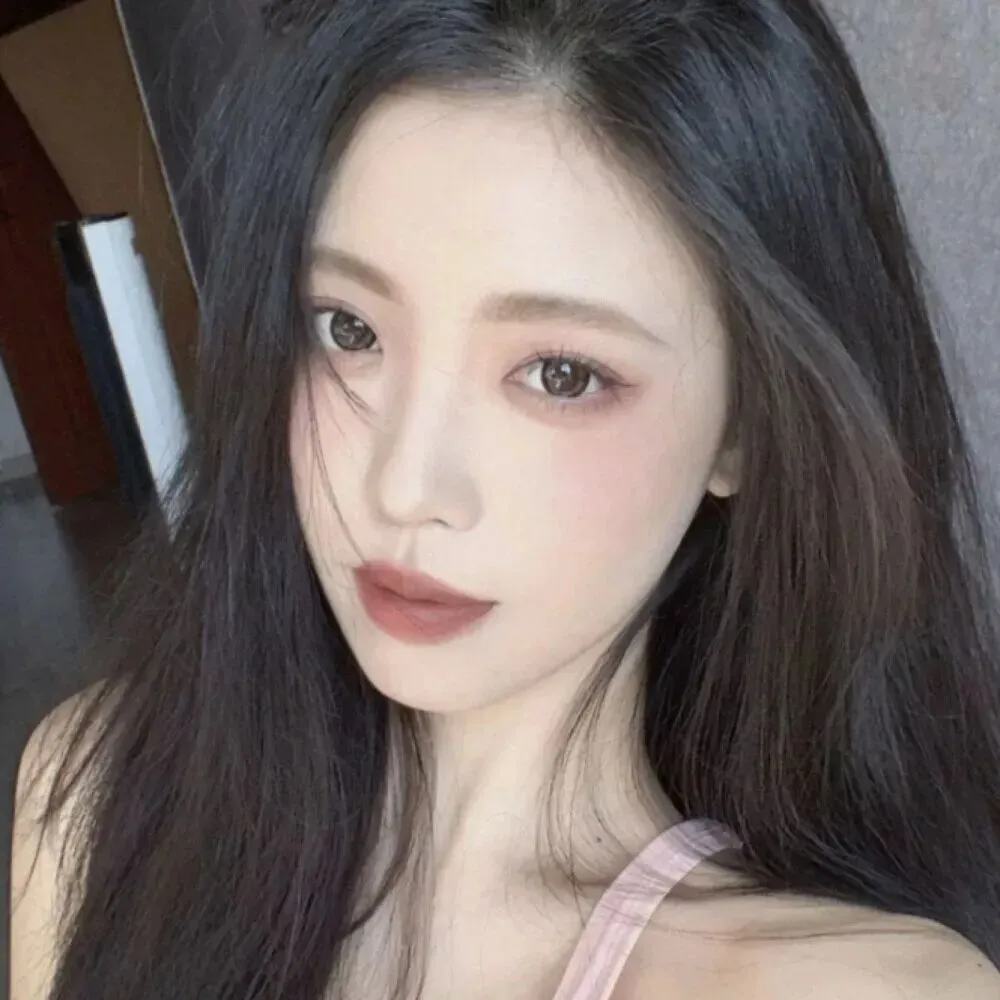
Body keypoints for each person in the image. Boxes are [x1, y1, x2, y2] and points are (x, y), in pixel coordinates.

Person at [10, 1, 1000, 998]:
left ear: (742, 426)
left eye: (561, 374)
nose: (404, 486)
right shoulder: (100, 800)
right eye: (348, 329)